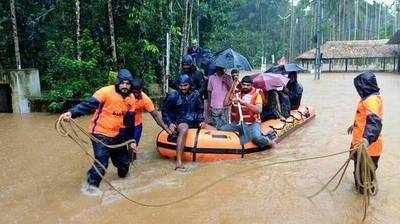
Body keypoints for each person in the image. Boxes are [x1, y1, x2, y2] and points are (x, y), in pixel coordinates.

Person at [59, 69, 137, 196]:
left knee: (123, 165)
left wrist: (132, 140)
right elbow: (88, 105)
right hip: (100, 133)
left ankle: (121, 180)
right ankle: (91, 186)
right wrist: (71, 113)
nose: (125, 86)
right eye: (122, 83)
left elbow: (130, 122)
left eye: (128, 84)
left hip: (118, 135)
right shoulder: (105, 92)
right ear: (117, 82)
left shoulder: (131, 98)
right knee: (102, 163)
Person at [347, 71, 383, 194]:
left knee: (365, 179)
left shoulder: (371, 100)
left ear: (364, 86)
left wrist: (367, 139)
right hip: (360, 145)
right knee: (359, 173)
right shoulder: (367, 99)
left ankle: (362, 205)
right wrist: (355, 125)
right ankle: (358, 193)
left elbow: (374, 122)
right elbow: (365, 117)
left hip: (368, 148)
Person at [161, 74, 207, 170]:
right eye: (181, 85)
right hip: (181, 120)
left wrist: (202, 120)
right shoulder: (173, 95)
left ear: (190, 84)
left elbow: (200, 109)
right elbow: (165, 111)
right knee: (184, 128)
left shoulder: (196, 95)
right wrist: (170, 123)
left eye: (185, 85)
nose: (183, 88)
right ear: (178, 85)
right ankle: (178, 161)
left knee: (211, 129)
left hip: (194, 120)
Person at [221, 76, 275, 149]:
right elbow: (225, 103)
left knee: (256, 138)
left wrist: (244, 103)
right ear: (241, 85)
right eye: (244, 85)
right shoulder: (237, 94)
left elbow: (259, 110)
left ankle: (270, 143)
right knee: (222, 129)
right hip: (237, 124)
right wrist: (232, 86)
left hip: (252, 124)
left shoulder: (256, 94)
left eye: (248, 85)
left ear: (251, 85)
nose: (245, 87)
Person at [130, 79, 172, 152]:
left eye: (137, 92)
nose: (136, 95)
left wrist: (166, 128)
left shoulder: (145, 100)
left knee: (133, 147)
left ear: (141, 90)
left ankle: (132, 161)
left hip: (136, 126)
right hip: (122, 125)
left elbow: (156, 115)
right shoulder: (123, 96)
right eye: (134, 93)